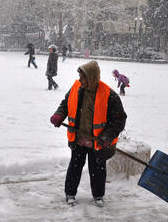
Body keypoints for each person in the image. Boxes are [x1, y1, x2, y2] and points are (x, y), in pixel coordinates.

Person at [50, 61, 127, 207]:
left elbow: (119, 119)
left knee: (97, 169)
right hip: (78, 138)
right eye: (79, 77)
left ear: (91, 77)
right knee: (75, 166)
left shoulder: (109, 95)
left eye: (83, 77)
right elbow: (65, 104)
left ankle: (98, 195)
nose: (80, 80)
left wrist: (107, 137)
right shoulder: (76, 88)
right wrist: (59, 115)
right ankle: (70, 193)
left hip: (97, 142)